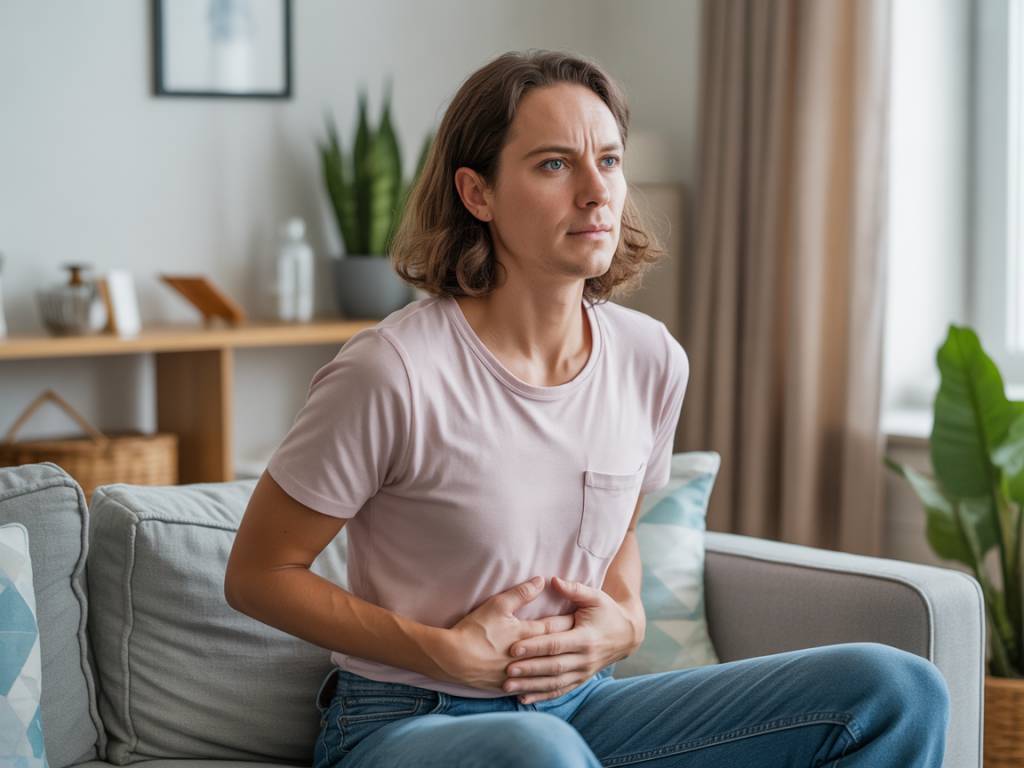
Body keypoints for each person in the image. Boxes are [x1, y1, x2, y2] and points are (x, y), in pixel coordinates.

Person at [224, 49, 951, 768]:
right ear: (478, 194)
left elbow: (619, 538)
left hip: (586, 708)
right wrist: (444, 651)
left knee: (896, 690)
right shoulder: (393, 372)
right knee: (536, 751)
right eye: (553, 164)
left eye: (608, 160)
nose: (596, 192)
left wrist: (625, 624)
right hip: (406, 720)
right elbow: (259, 573)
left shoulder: (650, 359)